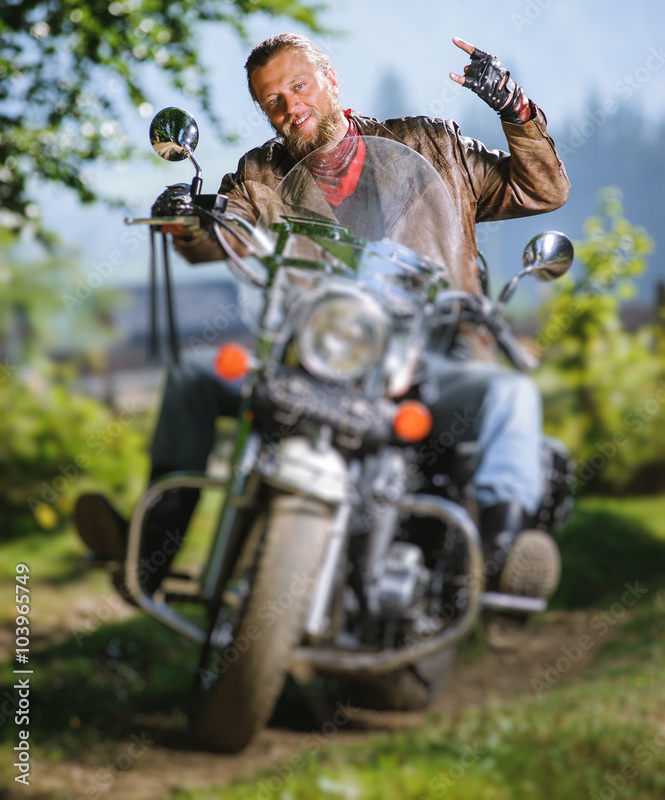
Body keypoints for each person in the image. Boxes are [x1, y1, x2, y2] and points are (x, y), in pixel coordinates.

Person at [75, 32, 569, 602]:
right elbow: (219, 239)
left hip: (429, 352)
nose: (291, 106)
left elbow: (543, 190)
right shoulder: (260, 176)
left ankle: (503, 563)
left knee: (510, 395)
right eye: (273, 101)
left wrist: (515, 110)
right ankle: (151, 553)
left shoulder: (434, 145)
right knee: (193, 377)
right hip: (316, 355)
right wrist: (186, 220)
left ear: (331, 80)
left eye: (299, 85)